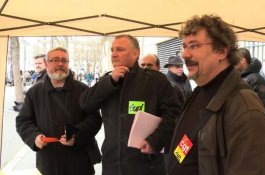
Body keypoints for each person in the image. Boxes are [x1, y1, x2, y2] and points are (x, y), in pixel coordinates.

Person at [167, 15, 265, 175]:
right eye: (184, 46)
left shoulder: (245, 108)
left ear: (222, 51)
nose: (184, 55)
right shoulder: (199, 91)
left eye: (193, 45)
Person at [80, 35, 181, 175]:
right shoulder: (107, 81)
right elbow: (85, 104)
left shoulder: (155, 81)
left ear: (135, 54)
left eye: (120, 50)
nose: (114, 54)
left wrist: (156, 140)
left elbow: (174, 114)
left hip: (146, 164)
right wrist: (110, 81)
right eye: (112, 50)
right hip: (113, 164)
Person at [16, 47, 102, 175]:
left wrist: (76, 136)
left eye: (64, 60)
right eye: (55, 60)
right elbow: (23, 120)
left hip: (79, 162)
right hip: (48, 162)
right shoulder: (35, 92)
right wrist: (34, 137)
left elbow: (95, 119)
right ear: (46, 63)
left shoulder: (83, 90)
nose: (60, 64)